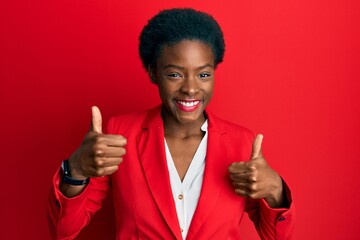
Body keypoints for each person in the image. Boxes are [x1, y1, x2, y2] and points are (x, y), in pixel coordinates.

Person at [47, 8, 295, 240]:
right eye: (175, 74)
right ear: (153, 72)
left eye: (203, 74)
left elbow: (277, 236)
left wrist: (274, 189)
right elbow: (63, 230)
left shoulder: (241, 142)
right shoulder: (119, 134)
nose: (190, 88)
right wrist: (76, 170)